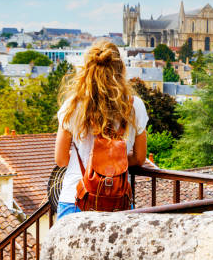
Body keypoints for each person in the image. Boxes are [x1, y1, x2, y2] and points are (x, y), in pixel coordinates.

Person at [54, 41, 148, 220]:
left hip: (75, 198)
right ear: (121, 69)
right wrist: (112, 164)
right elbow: (139, 158)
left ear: (87, 70)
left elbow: (61, 160)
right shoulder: (135, 106)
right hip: (117, 203)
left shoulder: (72, 106)